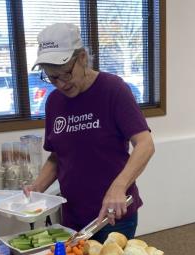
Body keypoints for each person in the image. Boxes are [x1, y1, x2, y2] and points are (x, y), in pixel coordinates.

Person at [24, 23, 155, 243]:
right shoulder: (54, 102)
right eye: (52, 78)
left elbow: (145, 144)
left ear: (83, 57)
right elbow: (58, 156)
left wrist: (119, 186)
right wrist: (37, 188)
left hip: (113, 214)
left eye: (65, 74)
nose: (61, 84)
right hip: (72, 216)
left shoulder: (113, 89)